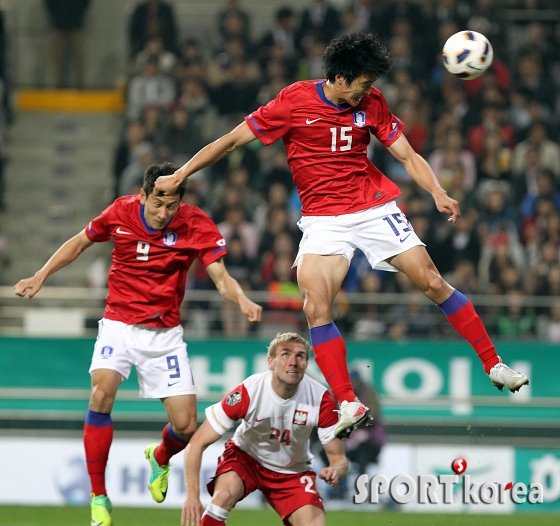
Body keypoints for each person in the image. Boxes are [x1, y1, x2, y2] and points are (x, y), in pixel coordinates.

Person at [154, 33, 529, 440]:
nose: (368, 90)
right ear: (338, 76)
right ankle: (348, 401)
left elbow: (406, 154)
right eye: (363, 83)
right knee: (315, 305)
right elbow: (229, 141)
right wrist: (181, 174)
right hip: (323, 221)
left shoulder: (372, 103)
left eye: (371, 84)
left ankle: (493, 364)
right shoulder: (293, 102)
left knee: (432, 282)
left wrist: (436, 190)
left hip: (373, 207)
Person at [14, 163, 262, 526]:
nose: (164, 214)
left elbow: (220, 276)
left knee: (186, 426)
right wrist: (41, 275)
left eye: (172, 206)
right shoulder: (120, 211)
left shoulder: (196, 224)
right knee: (101, 394)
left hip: (164, 335)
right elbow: (80, 242)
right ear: (143, 195)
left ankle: (160, 457)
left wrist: (240, 300)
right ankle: (99, 497)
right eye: (157, 205)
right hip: (118, 325)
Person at [181, 332, 348, 526]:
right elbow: (196, 443)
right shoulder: (249, 392)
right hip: (246, 458)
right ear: (271, 362)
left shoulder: (321, 399)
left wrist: (335, 470)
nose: (293, 362)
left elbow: (339, 459)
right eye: (285, 354)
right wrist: (192, 496)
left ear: (306, 364)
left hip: (293, 471)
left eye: (300, 356)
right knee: (222, 497)